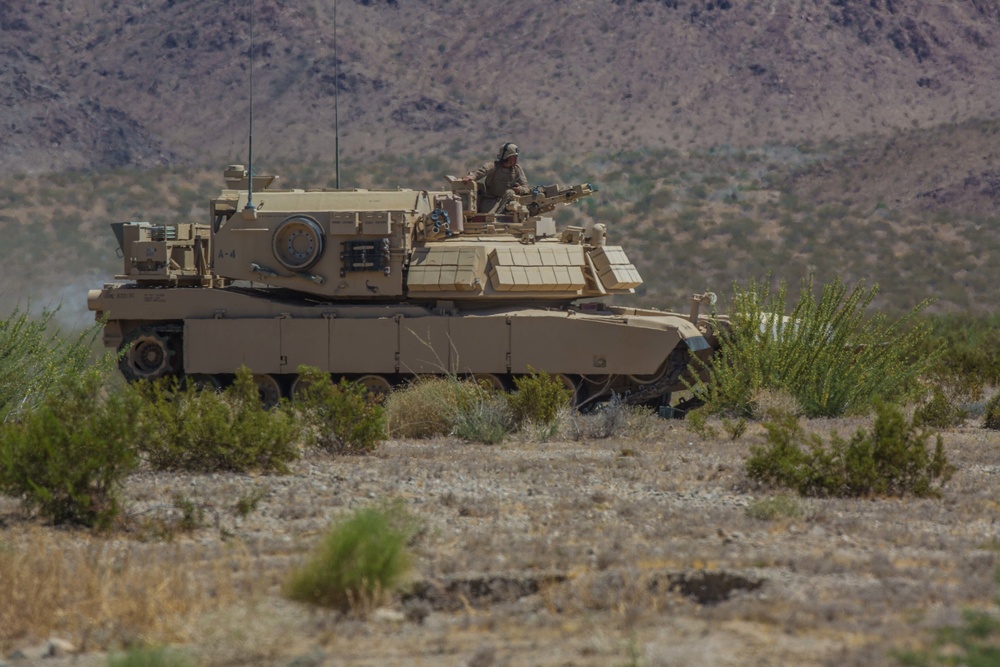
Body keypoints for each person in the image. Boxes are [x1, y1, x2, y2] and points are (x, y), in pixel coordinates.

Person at [462, 142, 530, 213]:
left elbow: (526, 187)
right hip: (490, 202)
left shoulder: (517, 169)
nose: (516, 159)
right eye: (513, 157)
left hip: (507, 203)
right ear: (506, 157)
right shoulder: (492, 166)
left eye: (516, 157)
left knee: (510, 193)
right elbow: (480, 172)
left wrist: (519, 189)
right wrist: (470, 177)